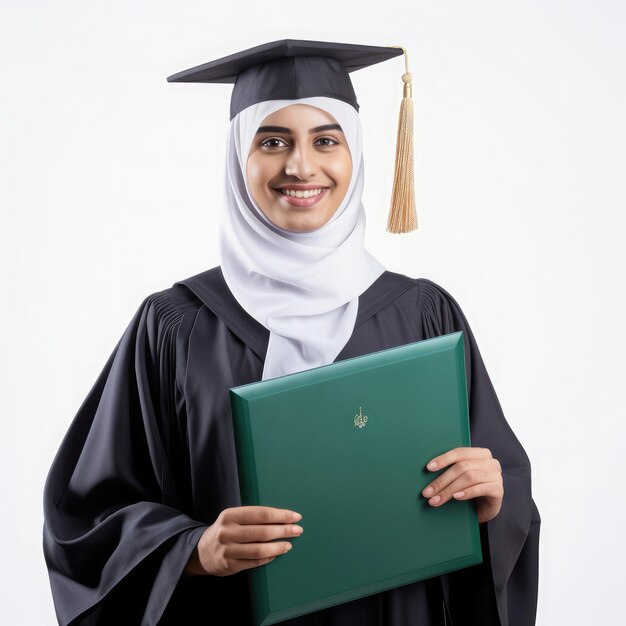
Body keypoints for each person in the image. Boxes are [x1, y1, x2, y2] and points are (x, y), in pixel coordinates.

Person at [43, 39, 540, 626]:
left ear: (355, 155)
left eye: (326, 140)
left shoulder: (424, 315)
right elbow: (86, 517)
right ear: (237, 159)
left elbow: (502, 497)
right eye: (272, 141)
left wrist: (492, 499)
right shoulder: (174, 326)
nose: (301, 166)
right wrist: (193, 551)